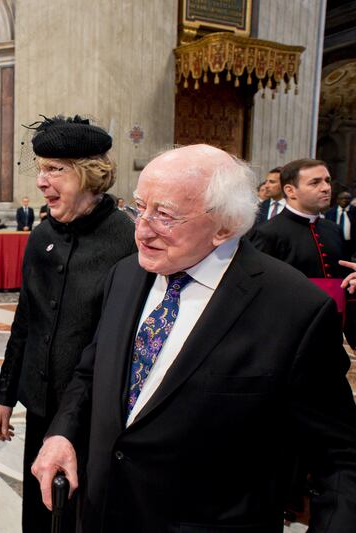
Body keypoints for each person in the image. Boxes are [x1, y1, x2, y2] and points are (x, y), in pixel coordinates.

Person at [32, 144, 356, 532]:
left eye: (164, 215)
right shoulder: (126, 275)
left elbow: (339, 458)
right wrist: (62, 433)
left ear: (224, 226)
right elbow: (91, 370)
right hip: (102, 514)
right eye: (138, 207)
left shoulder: (295, 308)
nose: (142, 229)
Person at [0, 115, 136, 532]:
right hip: (41, 404)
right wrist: (5, 395)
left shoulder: (127, 241)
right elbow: (25, 322)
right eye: (40, 168)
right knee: (39, 513)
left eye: (55, 169)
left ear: (91, 175)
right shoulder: (41, 237)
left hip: (97, 413)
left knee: (83, 514)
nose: (41, 181)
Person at [325, 190, 356, 258]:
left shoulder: (354, 211)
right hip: (334, 243)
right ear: (337, 200)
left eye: (347, 198)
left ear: (350, 200)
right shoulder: (329, 213)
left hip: (351, 244)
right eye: (342, 198)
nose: (344, 200)